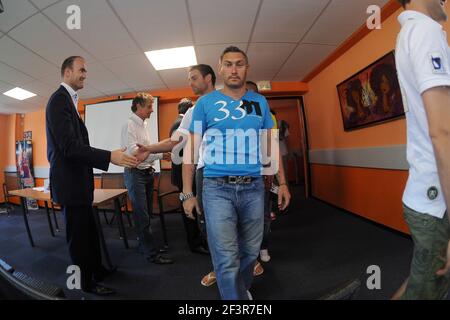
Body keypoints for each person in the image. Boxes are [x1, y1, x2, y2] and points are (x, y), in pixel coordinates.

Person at [181, 46, 291, 300]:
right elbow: (191, 150)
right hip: (216, 188)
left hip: (253, 187)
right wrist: (187, 194)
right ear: (220, 69)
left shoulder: (260, 102)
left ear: (247, 68)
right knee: (226, 254)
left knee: (251, 251)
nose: (233, 69)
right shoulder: (205, 103)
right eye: (228, 64)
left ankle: (239, 289)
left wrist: (282, 182)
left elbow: (270, 146)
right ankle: (235, 300)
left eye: (239, 64)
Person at [46, 56, 141, 296]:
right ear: (67, 72)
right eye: (81, 70)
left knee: (89, 232)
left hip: (78, 185)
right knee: (78, 238)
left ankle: (97, 270)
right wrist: (110, 156)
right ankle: (85, 283)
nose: (85, 74)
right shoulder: (58, 100)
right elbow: (69, 147)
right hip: (70, 186)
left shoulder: (69, 101)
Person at [392, 0, 450, 300]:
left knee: (423, 279)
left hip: (429, 196)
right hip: (436, 199)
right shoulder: (426, 31)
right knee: (428, 288)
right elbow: (442, 131)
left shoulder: (411, 33)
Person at [121, 93, 173, 265]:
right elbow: (135, 153)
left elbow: (145, 152)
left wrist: (155, 153)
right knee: (142, 216)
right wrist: (157, 153)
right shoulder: (129, 124)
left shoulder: (144, 124)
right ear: (139, 107)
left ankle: (146, 245)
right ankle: (151, 253)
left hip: (147, 173)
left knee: (146, 214)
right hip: (135, 174)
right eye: (149, 106)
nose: (152, 109)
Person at [169, 98, 209, 255]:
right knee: (190, 207)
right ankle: (195, 242)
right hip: (185, 172)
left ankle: (198, 239)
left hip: (186, 170)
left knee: (192, 206)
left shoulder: (177, 121)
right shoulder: (180, 123)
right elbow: (179, 148)